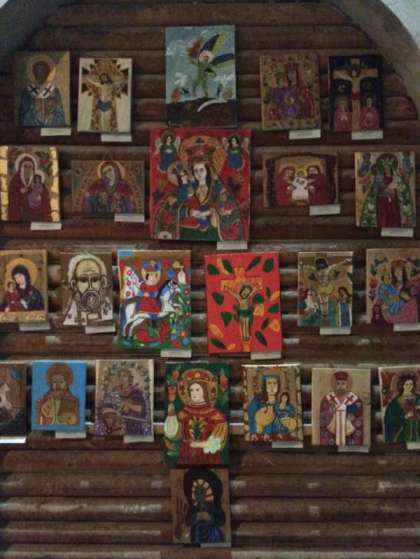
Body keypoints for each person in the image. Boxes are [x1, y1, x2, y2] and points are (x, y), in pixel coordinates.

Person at [164, 369, 228, 465]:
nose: (194, 393)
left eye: (197, 390)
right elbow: (172, 435)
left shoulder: (216, 415)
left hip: (208, 457)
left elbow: (220, 440)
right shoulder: (183, 413)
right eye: (191, 390)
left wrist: (200, 444)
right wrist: (171, 415)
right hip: (186, 455)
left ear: (205, 391)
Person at [63, 254, 113, 327]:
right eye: (83, 280)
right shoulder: (71, 314)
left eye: (95, 279)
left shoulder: (109, 310)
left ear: (103, 282)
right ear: (74, 284)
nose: (90, 287)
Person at [182, 467, 226, 545]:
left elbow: (221, 520)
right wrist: (196, 516)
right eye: (196, 492)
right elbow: (188, 521)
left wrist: (210, 518)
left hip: (213, 535)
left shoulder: (213, 507)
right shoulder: (194, 508)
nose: (199, 495)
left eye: (201, 492)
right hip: (197, 535)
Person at [319, 371, 363, 446]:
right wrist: (331, 411)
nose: (340, 386)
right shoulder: (328, 398)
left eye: (343, 384)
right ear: (335, 385)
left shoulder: (354, 398)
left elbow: (358, 414)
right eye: (338, 383)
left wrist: (349, 413)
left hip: (349, 435)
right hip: (332, 435)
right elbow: (323, 415)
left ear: (347, 384)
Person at [19, 57, 65, 127]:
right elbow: (22, 118)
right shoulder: (27, 92)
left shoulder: (54, 91)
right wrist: (34, 109)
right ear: (34, 73)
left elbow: (61, 116)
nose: (40, 73)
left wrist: (51, 115)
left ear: (47, 73)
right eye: (38, 71)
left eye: (43, 71)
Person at [247, 374, 297, 440]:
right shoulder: (258, 401)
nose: (272, 387)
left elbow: (290, 416)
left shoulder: (281, 403)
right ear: (264, 386)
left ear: (278, 386)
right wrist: (253, 432)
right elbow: (251, 415)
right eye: (269, 383)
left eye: (274, 383)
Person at [8, 155, 52, 222]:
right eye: (25, 166)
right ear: (20, 168)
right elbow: (12, 200)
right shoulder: (15, 182)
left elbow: (46, 200)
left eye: (30, 167)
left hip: (37, 217)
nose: (27, 170)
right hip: (21, 217)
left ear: (33, 169)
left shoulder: (37, 181)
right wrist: (19, 192)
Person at [384, 374, 420, 443]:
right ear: (402, 385)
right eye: (406, 384)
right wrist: (405, 416)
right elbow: (390, 419)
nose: (409, 386)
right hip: (405, 433)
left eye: (411, 384)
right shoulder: (396, 402)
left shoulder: (418, 398)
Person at [117, 367, 151, 437]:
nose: (122, 378)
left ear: (129, 378)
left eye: (124, 376)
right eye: (120, 376)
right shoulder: (116, 390)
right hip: (119, 425)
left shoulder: (136, 392)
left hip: (134, 425)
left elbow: (139, 408)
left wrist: (126, 404)